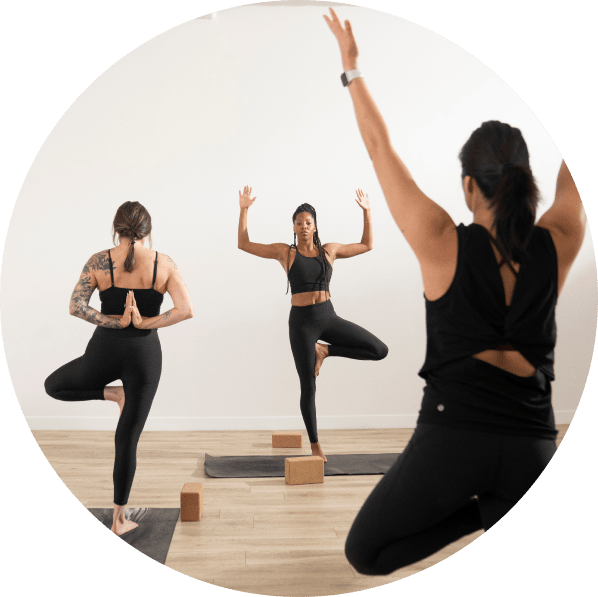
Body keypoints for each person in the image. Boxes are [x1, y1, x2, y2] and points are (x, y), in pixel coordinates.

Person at [325, 8, 586, 575]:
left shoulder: (441, 240)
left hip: (451, 440)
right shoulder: (560, 240)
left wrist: (352, 70)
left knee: (365, 553)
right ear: (528, 183)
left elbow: (379, 149)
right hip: (534, 447)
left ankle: (478, 514)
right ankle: (509, 510)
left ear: (469, 185)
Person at [44, 201, 193, 536]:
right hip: (144, 355)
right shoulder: (162, 263)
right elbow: (186, 310)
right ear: (148, 231)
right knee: (127, 439)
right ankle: (118, 520)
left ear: (115, 229)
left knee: (54, 385)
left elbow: (75, 306)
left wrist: (112, 320)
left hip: (104, 351)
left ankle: (111, 394)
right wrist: (144, 322)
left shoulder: (99, 261)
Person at [238, 186, 388, 461]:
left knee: (379, 350)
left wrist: (367, 212)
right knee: (308, 386)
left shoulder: (329, 251)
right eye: (298, 223)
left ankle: (325, 350)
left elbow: (367, 245)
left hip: (327, 317)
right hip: (301, 325)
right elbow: (244, 244)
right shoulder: (287, 253)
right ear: (293, 227)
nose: (303, 226)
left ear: (315, 226)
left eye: (308, 222)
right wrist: (244, 210)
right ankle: (316, 446)